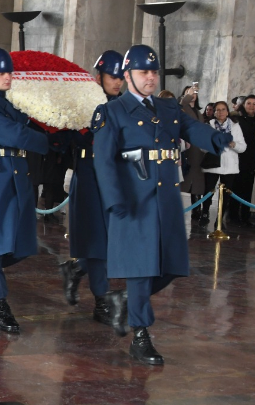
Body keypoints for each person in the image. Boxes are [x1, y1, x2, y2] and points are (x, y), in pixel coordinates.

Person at [94, 44, 233, 365]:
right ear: (128, 76)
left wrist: (219, 139)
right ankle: (141, 336)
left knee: (172, 265)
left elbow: (193, 128)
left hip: (167, 197)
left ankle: (124, 299)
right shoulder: (112, 112)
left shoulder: (168, 108)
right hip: (134, 198)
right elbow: (104, 161)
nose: (151, 78)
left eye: (154, 72)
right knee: (141, 269)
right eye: (144, 72)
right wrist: (114, 200)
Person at [0, 47, 66, 333]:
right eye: (1, 72)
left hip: (19, 176)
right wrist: (47, 142)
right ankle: (0, 306)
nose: (7, 77)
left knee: (23, 244)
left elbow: (34, 125)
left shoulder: (14, 102)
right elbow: (14, 134)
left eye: (10, 72)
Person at [60, 50, 124, 324]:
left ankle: (76, 269)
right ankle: (101, 302)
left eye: (122, 77)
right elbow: (67, 139)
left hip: (117, 178)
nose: (118, 82)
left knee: (112, 243)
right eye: (113, 77)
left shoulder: (125, 106)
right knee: (99, 243)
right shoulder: (85, 104)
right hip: (89, 176)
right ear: (99, 77)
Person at [199, 100, 246, 226]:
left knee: (226, 194)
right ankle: (205, 213)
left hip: (230, 166)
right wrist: (214, 144)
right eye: (217, 110)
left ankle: (219, 220)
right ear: (214, 112)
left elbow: (243, 147)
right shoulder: (209, 125)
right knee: (208, 191)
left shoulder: (235, 126)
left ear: (227, 111)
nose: (220, 112)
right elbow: (202, 147)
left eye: (223, 109)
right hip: (213, 164)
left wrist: (233, 144)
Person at [179, 84, 206, 220]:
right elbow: (182, 103)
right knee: (186, 178)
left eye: (194, 92)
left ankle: (197, 209)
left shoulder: (199, 112)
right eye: (189, 92)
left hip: (198, 150)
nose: (193, 94)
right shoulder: (183, 108)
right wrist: (188, 94)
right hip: (187, 148)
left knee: (197, 182)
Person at [231, 95, 255, 226]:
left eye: (254, 104)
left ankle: (245, 217)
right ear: (244, 105)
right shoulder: (238, 120)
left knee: (248, 189)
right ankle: (233, 216)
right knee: (236, 188)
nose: (251, 106)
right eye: (249, 103)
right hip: (239, 158)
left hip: (252, 160)